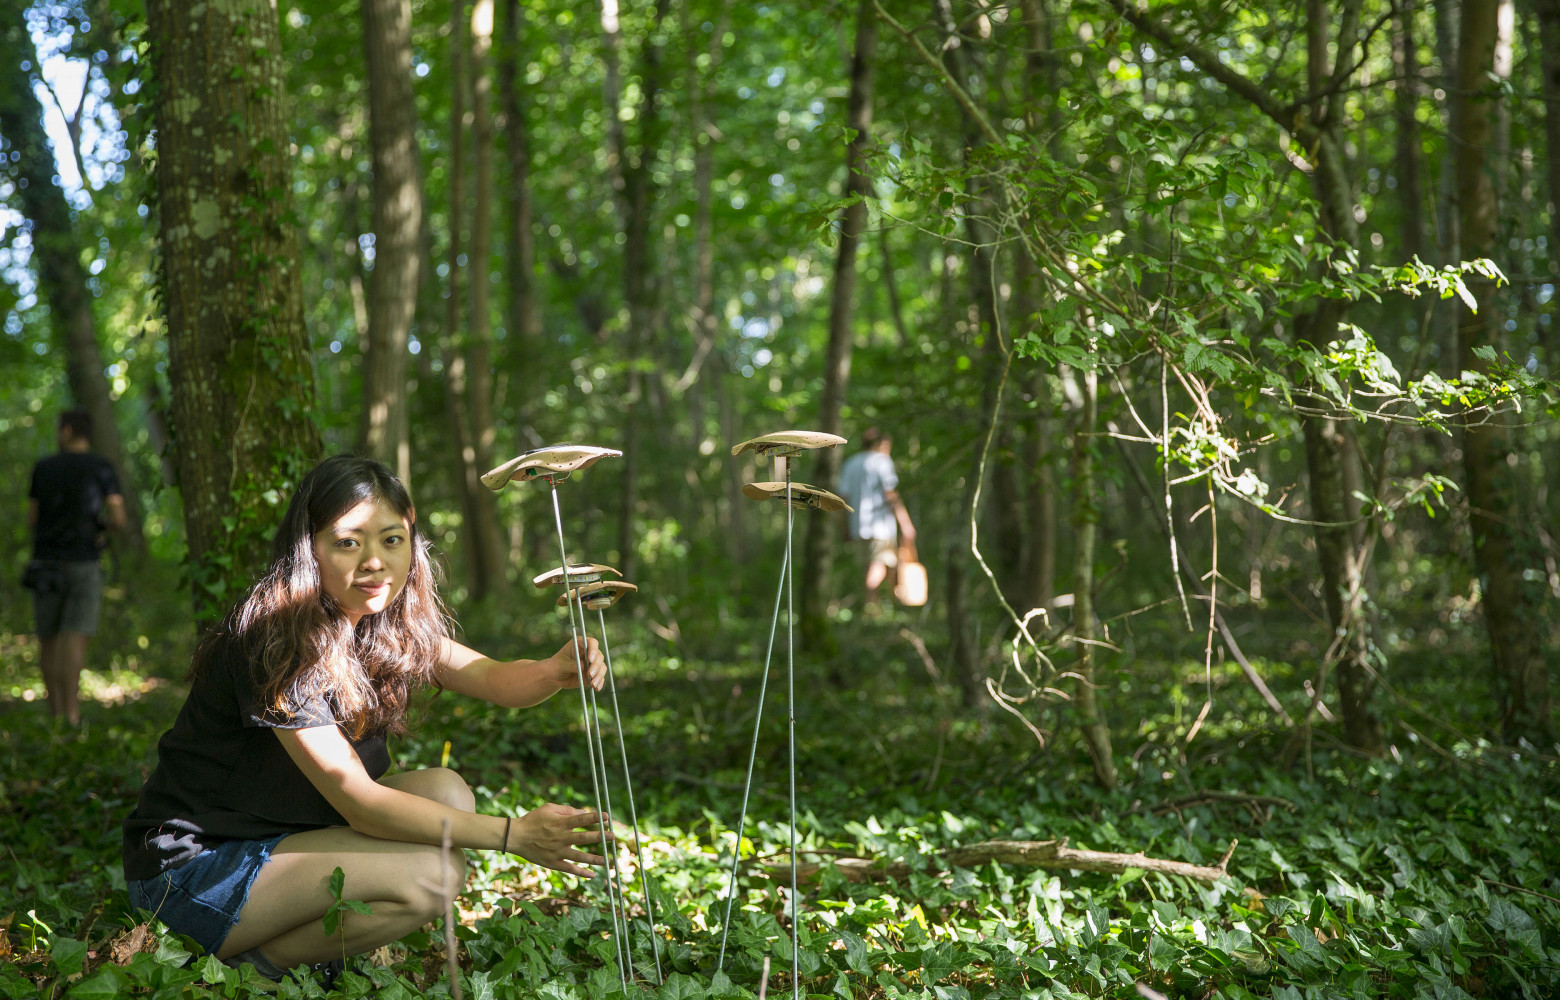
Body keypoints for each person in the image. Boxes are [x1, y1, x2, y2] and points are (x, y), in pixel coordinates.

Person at [122, 455, 613, 983]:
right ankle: (260, 969)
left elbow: (492, 678)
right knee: (433, 875)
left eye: (391, 539)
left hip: (284, 839)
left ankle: (281, 947)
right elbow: (359, 802)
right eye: (349, 542)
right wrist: (514, 834)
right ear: (308, 548)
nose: (375, 561)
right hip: (195, 872)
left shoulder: (382, 623)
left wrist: (554, 669)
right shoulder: (278, 640)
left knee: (447, 791)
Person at [25, 408, 128, 726]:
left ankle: (56, 714)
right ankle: (72, 715)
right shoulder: (101, 467)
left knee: (49, 638)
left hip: (47, 564)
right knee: (75, 635)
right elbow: (118, 517)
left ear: (67, 430)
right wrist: (101, 528)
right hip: (84, 562)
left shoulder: (44, 467)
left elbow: (32, 518)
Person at [836, 428, 915, 614]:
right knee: (880, 564)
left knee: (871, 565)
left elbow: (842, 499)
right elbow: (891, 494)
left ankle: (880, 608)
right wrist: (906, 523)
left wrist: (844, 527)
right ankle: (872, 607)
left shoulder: (851, 463)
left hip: (858, 525)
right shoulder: (882, 461)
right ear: (881, 444)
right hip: (880, 525)